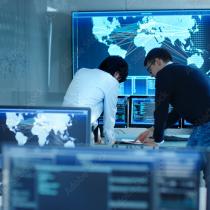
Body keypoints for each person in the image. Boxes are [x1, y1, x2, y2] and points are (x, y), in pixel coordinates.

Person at [136, 48, 210, 147]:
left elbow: (161, 110)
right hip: (202, 125)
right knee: (191, 158)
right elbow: (178, 112)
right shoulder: (180, 72)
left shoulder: (164, 74)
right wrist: (153, 129)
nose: (151, 75)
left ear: (158, 62)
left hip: (206, 126)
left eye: (150, 70)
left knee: (201, 161)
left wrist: (157, 140)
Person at [63, 56, 128, 145]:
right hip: (81, 131)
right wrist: (111, 142)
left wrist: (97, 135)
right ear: (117, 74)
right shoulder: (112, 81)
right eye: (119, 80)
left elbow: (87, 103)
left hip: (61, 126)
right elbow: (109, 116)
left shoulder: (81, 71)